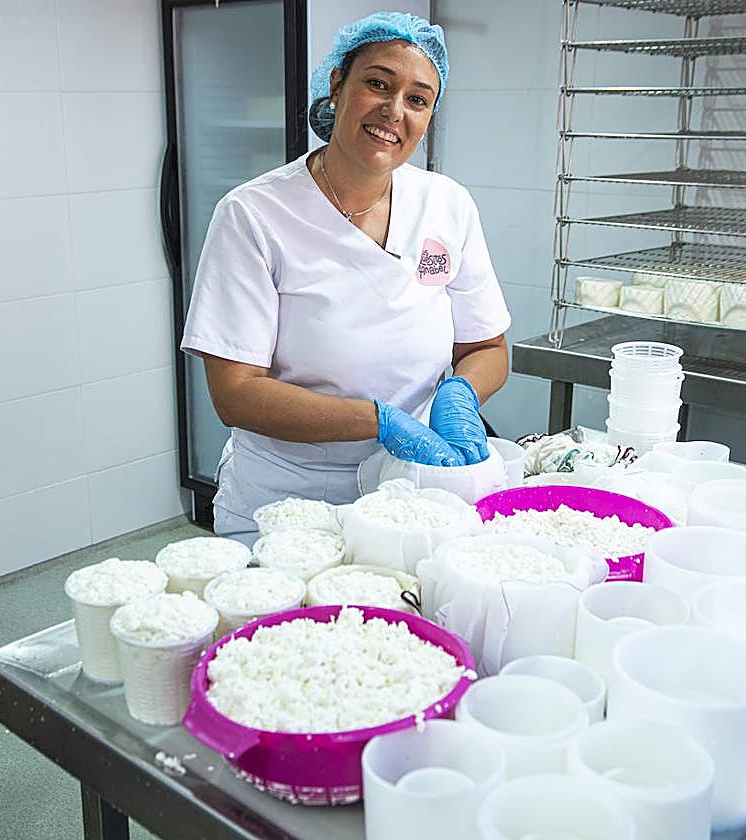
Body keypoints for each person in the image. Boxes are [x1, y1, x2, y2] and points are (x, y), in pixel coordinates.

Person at [181, 12, 511, 543]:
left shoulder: (447, 204)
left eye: (418, 99)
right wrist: (380, 421)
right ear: (337, 85)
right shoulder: (254, 214)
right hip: (287, 504)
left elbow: (487, 347)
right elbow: (235, 394)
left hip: (412, 497)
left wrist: (462, 394)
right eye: (378, 84)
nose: (394, 111)